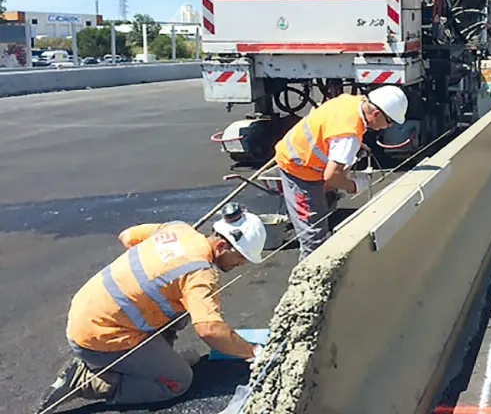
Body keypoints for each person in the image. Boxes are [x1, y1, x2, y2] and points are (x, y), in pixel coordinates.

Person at [38, 205, 268, 413]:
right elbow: (209, 329)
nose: (241, 265)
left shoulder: (179, 230)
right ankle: (86, 379)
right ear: (221, 245)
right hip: (101, 338)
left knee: (182, 306)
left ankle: (152, 359)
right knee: (178, 381)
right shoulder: (199, 273)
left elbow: (128, 237)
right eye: (240, 258)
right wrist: (253, 352)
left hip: (87, 312)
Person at [273, 85, 409, 258]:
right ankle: (310, 278)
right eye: (389, 122)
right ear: (376, 114)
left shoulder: (351, 101)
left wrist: (356, 146)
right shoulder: (348, 136)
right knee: (314, 237)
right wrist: (353, 186)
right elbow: (332, 177)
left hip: (302, 157)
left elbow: (333, 129)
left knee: (322, 214)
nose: (388, 127)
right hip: (299, 170)